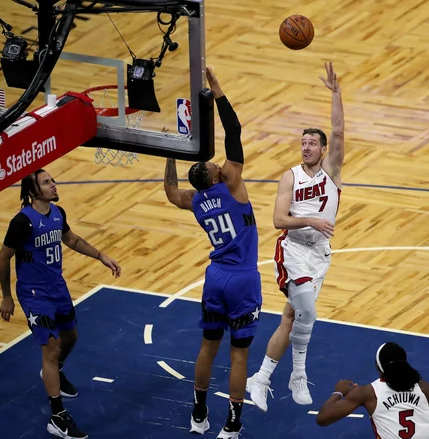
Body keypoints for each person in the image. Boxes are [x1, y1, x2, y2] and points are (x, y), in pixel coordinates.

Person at [163, 66, 260, 439]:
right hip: (241, 279)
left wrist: (169, 152)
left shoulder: (196, 201)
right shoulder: (232, 184)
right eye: (213, 164)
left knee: (208, 347)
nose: (217, 161)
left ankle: (199, 411)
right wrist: (218, 91)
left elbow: (172, 193)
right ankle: (232, 423)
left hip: (214, 278)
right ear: (216, 176)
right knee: (239, 355)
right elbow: (234, 132)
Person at [246, 61, 344, 412]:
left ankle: (260, 378)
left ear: (322, 149)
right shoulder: (290, 177)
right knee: (308, 313)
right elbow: (277, 220)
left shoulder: (332, 172)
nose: (305, 147)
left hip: (320, 256)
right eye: (302, 142)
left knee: (292, 318)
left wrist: (336, 93)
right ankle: (297, 376)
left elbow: (339, 131)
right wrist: (310, 222)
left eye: (312, 143)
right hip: (293, 251)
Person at [0, 168, 121, 439]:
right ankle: (58, 416)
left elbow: (71, 239)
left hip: (57, 287)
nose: (54, 185)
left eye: (52, 180)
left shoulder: (58, 213)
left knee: (71, 336)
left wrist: (101, 256)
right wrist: (6, 296)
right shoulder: (22, 222)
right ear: (33, 192)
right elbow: (4, 257)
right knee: (51, 348)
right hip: (33, 294)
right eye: (46, 182)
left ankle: (56, 371)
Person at [316, 342, 429, 438]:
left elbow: (323, 419)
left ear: (378, 366)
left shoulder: (367, 393)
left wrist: (338, 392)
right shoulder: (422, 387)